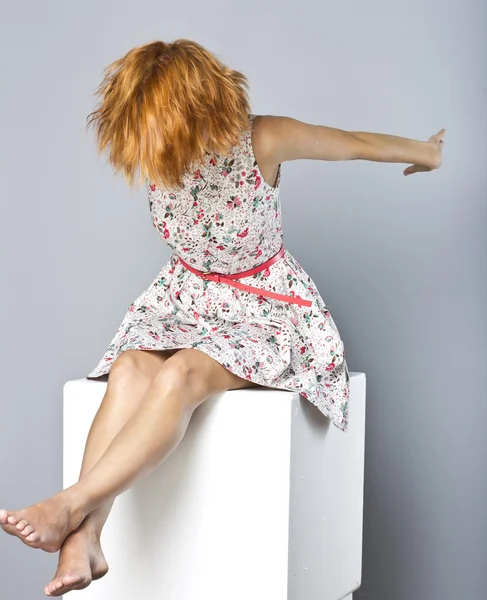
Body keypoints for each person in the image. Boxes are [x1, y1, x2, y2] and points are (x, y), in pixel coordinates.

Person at [0, 38, 444, 596]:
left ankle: (70, 506)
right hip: (184, 300)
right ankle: (87, 538)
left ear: (199, 107)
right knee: (131, 368)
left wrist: (425, 153)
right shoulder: (154, 150)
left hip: (265, 307)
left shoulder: (262, 138)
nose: (158, 144)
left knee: (182, 373)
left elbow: (352, 144)